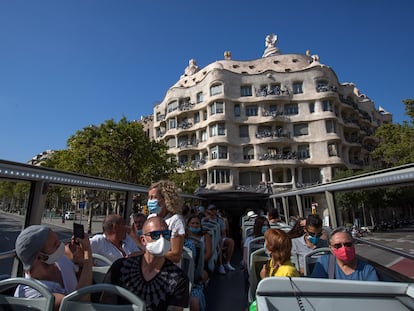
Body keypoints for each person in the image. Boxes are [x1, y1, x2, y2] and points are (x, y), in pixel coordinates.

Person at [102, 216, 189, 311]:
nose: (162, 239)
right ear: (143, 240)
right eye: (155, 235)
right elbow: (105, 303)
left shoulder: (178, 278)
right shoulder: (121, 267)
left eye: (166, 234)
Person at [14, 225, 93, 311]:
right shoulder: (30, 294)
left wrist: (81, 264)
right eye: (55, 244)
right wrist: (87, 253)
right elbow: (78, 306)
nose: (61, 245)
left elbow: (78, 280)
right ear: (41, 257)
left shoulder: (61, 260)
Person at [311, 226, 378, 280]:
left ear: (353, 244)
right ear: (331, 249)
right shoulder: (324, 263)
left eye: (347, 244)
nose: (343, 249)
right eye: (337, 246)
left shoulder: (367, 269)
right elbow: (315, 288)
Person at [147, 180, 186, 265]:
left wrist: (150, 253)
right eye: (149, 197)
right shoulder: (150, 218)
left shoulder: (176, 220)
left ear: (165, 199)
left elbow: (176, 256)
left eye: (153, 197)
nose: (150, 201)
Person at [203, 204, 236, 274]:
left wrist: (220, 238)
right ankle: (219, 265)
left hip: (218, 238)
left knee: (230, 242)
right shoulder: (203, 220)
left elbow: (223, 233)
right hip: (206, 239)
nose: (213, 211)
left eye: (214, 209)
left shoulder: (220, 221)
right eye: (211, 210)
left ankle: (226, 263)